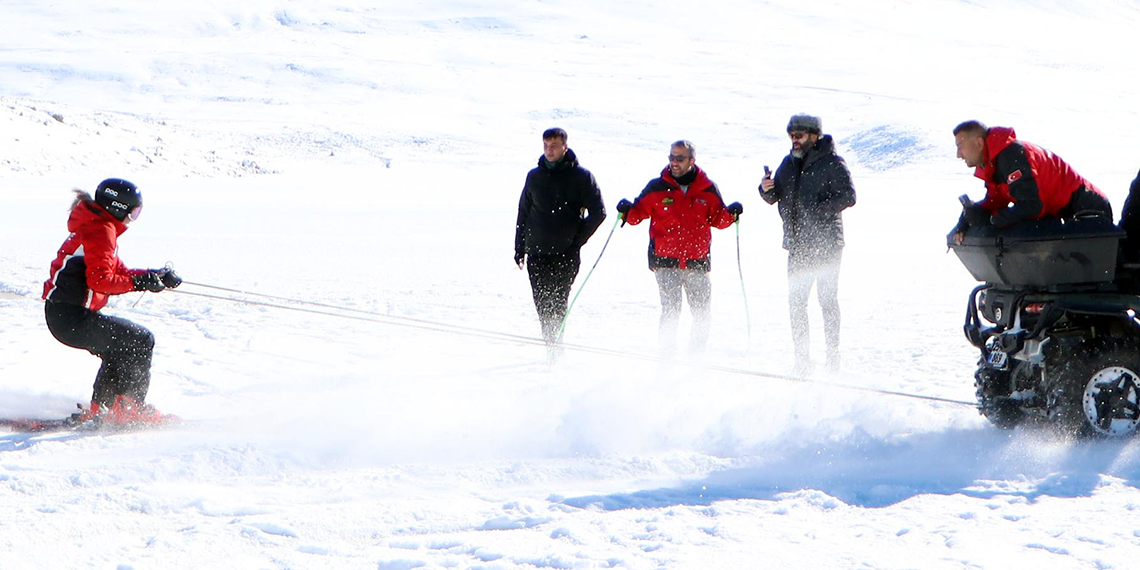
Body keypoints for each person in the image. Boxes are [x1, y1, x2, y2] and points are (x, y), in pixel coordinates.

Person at [42, 178, 182, 426]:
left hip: (65, 315)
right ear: (118, 207)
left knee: (121, 347)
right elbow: (101, 281)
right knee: (140, 340)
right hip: (70, 317)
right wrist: (138, 284)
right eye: (134, 212)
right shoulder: (101, 230)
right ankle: (129, 409)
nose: (133, 218)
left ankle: (102, 408)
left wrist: (153, 276)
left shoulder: (99, 226)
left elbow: (119, 271)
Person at [616, 140, 742, 354]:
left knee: (702, 314)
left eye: (680, 158)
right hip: (665, 261)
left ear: (692, 161)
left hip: (697, 262)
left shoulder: (707, 189)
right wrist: (627, 212)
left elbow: (718, 220)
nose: (674, 162)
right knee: (671, 311)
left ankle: (695, 358)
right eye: (672, 157)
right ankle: (666, 358)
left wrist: (731, 214)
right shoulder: (656, 187)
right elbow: (638, 213)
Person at [759, 114, 856, 375]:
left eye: (799, 135)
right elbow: (774, 195)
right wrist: (766, 188)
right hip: (798, 244)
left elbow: (849, 196)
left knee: (826, 300)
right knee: (796, 302)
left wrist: (817, 211)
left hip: (826, 244)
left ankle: (832, 357)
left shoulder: (833, 163)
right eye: (791, 135)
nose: (795, 140)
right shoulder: (788, 164)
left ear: (814, 136)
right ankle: (801, 359)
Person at [514, 128, 606, 347]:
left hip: (565, 253)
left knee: (557, 301)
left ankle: (556, 346)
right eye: (546, 145)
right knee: (542, 304)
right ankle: (551, 346)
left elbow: (598, 213)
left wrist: (577, 240)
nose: (549, 150)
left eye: (554, 146)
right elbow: (523, 212)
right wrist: (520, 247)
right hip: (536, 251)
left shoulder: (581, 177)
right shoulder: (534, 176)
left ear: (565, 146)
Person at [950, 120, 1112, 244]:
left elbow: (1032, 206)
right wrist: (968, 217)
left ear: (979, 143)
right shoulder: (993, 163)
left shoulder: (1012, 156)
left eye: (960, 146)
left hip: (1087, 209)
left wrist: (993, 219)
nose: (958, 154)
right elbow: (996, 200)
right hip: (1063, 213)